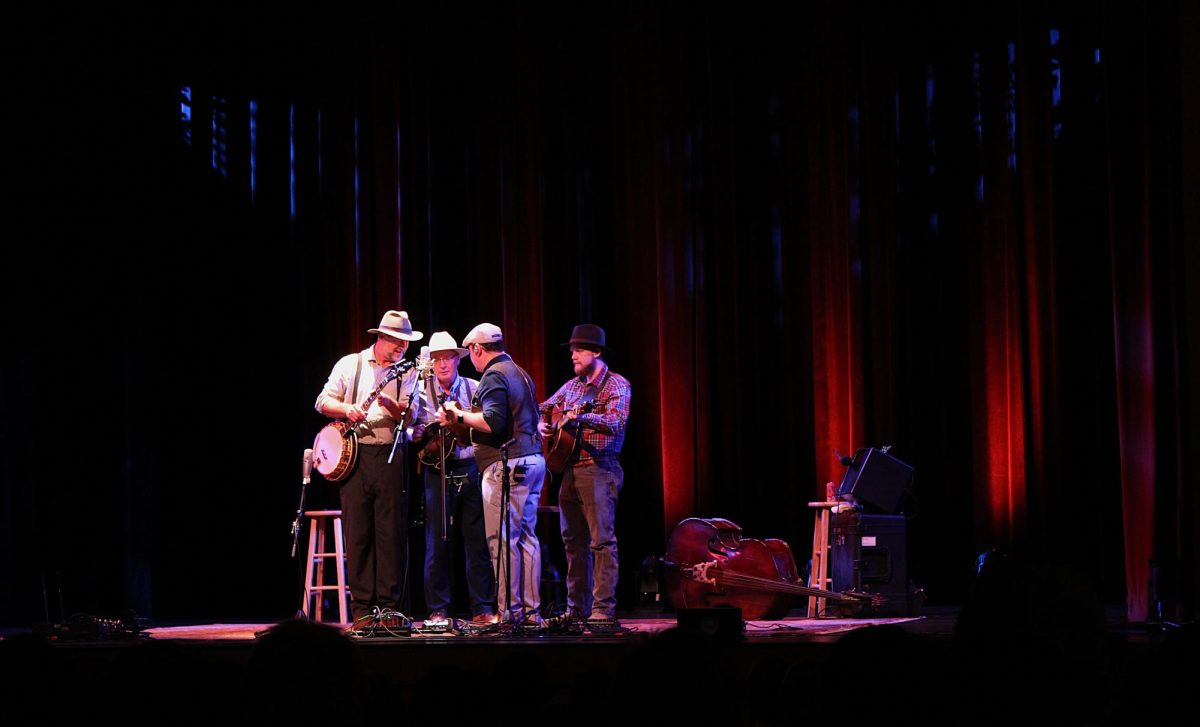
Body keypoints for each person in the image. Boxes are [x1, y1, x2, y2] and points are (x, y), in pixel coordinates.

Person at [314, 310, 422, 623]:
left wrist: (390, 404)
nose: (402, 347)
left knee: (390, 533)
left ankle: (389, 610)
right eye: (397, 341)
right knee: (358, 533)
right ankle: (362, 611)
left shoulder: (408, 371)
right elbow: (322, 401)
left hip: (390, 453)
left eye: (405, 342)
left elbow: (412, 416)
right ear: (381, 337)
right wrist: (347, 409)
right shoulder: (351, 364)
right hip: (355, 455)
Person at [436, 323, 546, 626]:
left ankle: (510, 613)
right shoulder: (519, 371)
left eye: (470, 354)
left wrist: (458, 415)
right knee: (525, 537)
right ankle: (530, 612)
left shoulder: (494, 375)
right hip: (533, 460)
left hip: (507, 465)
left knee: (503, 539)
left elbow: (493, 422)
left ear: (476, 349)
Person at [538, 324, 631, 632]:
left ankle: (603, 609)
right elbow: (546, 406)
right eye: (572, 350)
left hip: (600, 470)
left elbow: (615, 423)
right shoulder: (573, 386)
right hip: (570, 470)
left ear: (597, 352)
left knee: (601, 542)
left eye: (578, 350)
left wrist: (581, 415)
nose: (573, 355)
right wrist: (544, 424)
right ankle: (577, 609)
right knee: (572, 543)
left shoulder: (616, 385)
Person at [409, 331, 497, 627]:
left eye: (448, 357)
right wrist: (417, 433)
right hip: (437, 471)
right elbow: (409, 430)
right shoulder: (420, 393)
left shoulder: (474, 387)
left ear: (457, 360)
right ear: (431, 363)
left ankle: (482, 607)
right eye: (437, 359)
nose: (443, 364)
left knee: (476, 540)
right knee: (437, 541)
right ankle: (438, 609)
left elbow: (487, 425)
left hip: (470, 468)